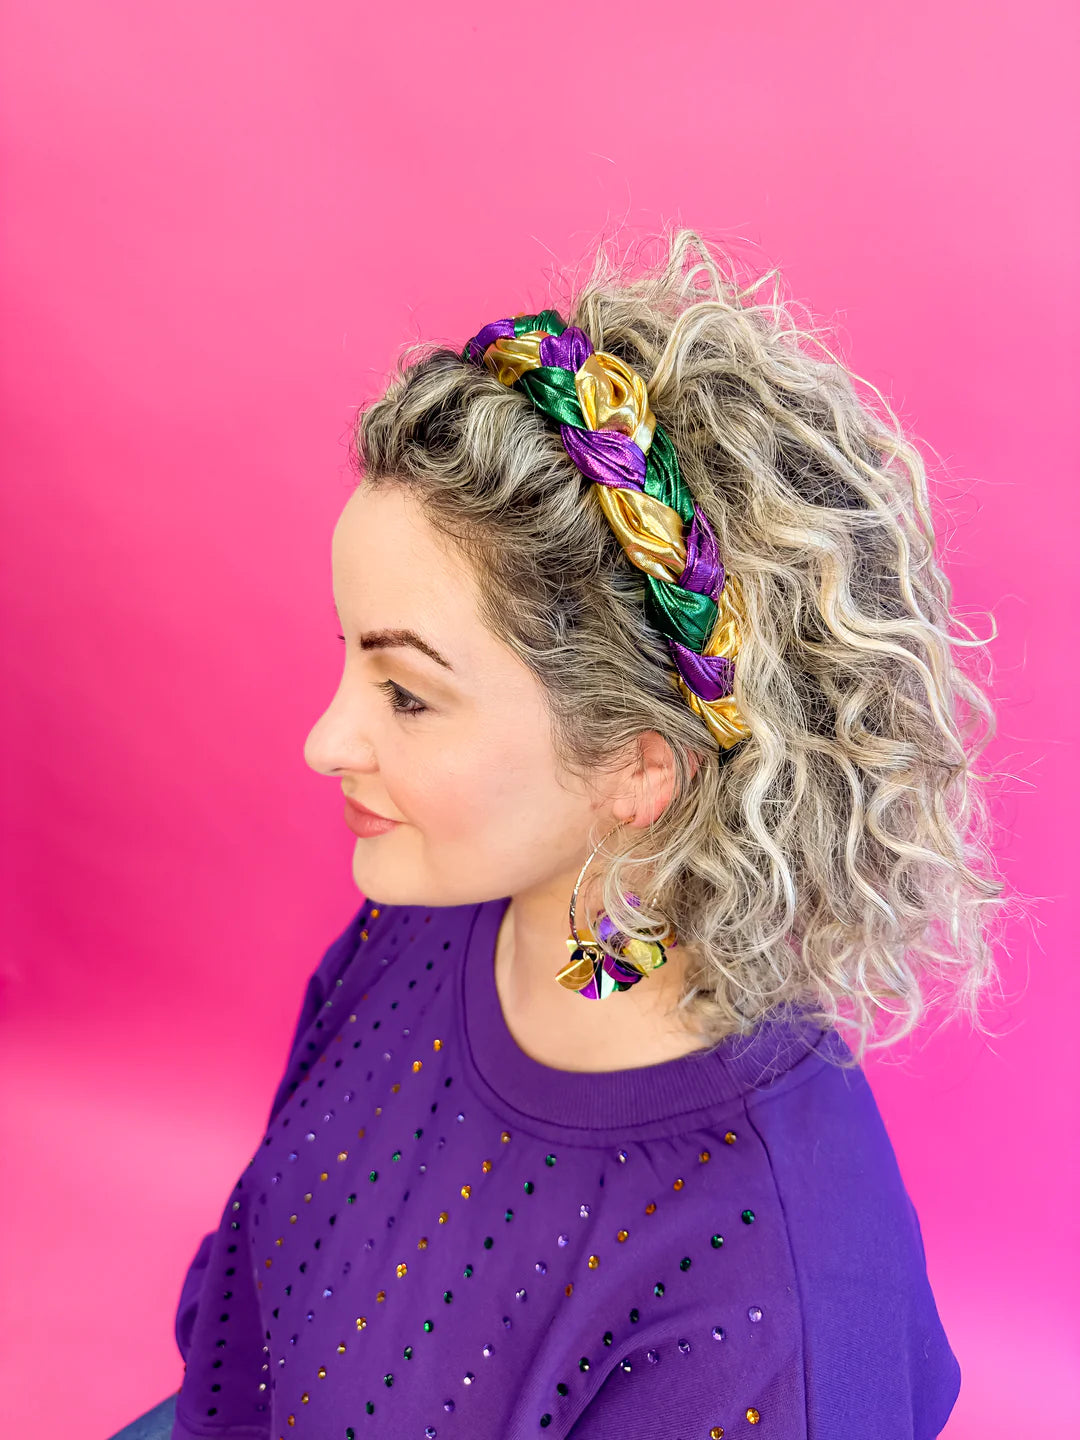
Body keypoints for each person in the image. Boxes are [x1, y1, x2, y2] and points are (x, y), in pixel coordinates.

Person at [114, 227, 1009, 1440]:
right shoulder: (415, 929)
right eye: (349, 659)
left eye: (406, 694)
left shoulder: (777, 1317)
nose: (325, 742)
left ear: (639, 766)